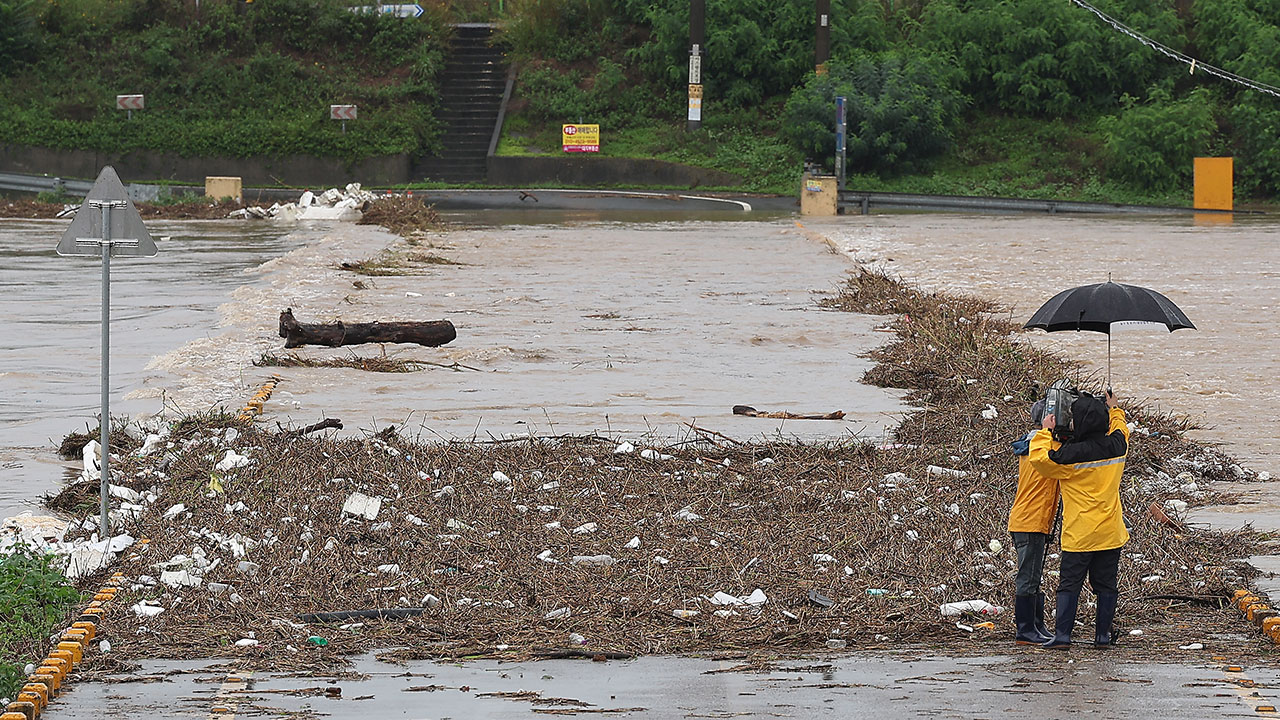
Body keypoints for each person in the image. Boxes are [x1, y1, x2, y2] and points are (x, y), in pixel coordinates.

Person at [1029, 387, 1129, 650]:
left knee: (1069, 586)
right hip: (1110, 532)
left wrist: (1044, 431)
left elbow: (1039, 459)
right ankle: (1102, 637)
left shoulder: (1069, 457)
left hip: (1080, 535)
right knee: (1106, 586)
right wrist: (1115, 408)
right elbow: (1122, 428)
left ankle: (1063, 636)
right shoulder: (1118, 447)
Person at [1008, 399, 1059, 645]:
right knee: (1028, 578)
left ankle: (1036, 625)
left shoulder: (1033, 444)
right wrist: (1049, 431)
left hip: (1032, 521)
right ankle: (1025, 629)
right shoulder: (1040, 448)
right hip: (1030, 521)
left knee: (1034, 576)